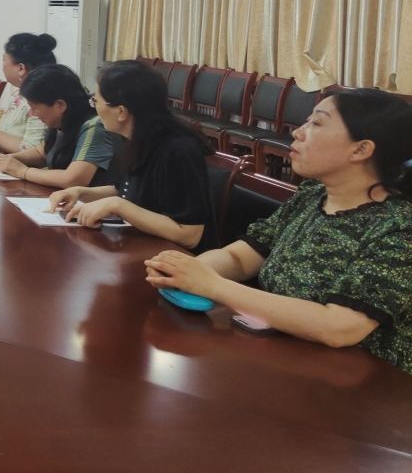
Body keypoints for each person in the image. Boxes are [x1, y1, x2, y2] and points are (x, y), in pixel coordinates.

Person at [145, 90, 412, 373]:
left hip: (362, 383)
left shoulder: (399, 228)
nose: (298, 132)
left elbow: (339, 327)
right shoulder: (312, 196)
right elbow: (241, 257)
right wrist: (184, 271)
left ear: (360, 150)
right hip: (286, 360)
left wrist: (212, 285)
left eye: (316, 123)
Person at [47, 61, 215, 249]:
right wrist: (81, 193)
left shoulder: (177, 150)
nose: (94, 108)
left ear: (121, 112)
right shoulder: (136, 138)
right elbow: (127, 190)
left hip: (174, 256)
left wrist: (117, 206)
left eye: (96, 101)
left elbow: (189, 235)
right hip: (142, 243)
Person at [0, 64, 117, 189]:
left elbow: (74, 179)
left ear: (60, 105)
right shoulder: (60, 120)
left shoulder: (94, 126)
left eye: (34, 108)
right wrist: (6, 159)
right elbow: (41, 153)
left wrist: (22, 171)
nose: (31, 113)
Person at [0, 32, 54, 153]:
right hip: (2, 158)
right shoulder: (19, 93)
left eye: (4, 60)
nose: (3, 65)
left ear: (21, 68)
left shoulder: (40, 100)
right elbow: (3, 135)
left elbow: (31, 150)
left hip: (18, 163)